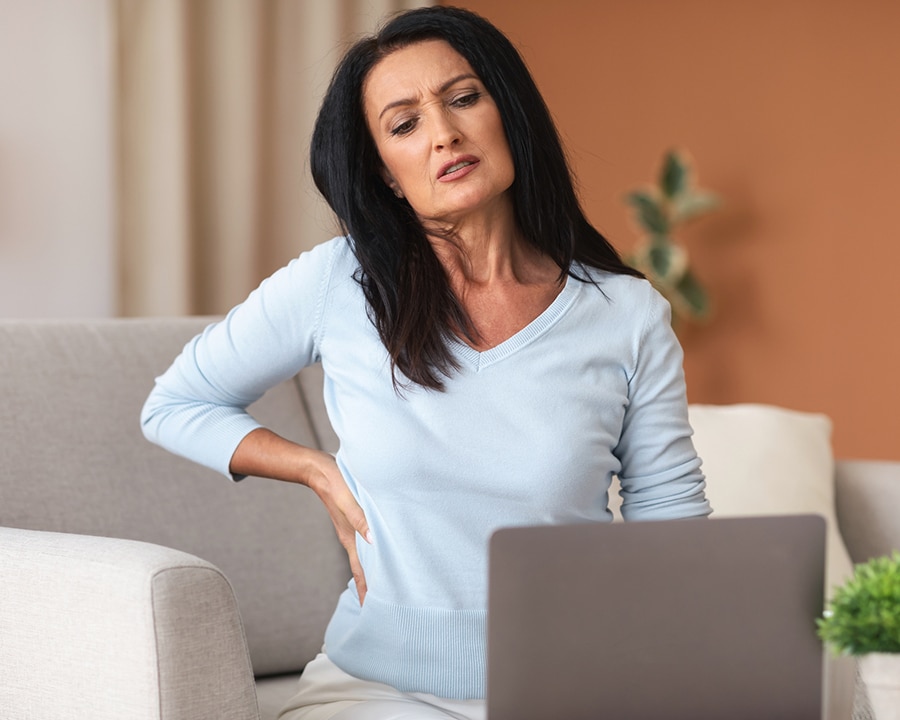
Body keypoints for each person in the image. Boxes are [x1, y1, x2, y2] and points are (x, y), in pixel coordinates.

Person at [141, 6, 711, 720]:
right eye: (405, 124)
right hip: (376, 692)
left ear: (510, 112)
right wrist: (317, 469)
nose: (444, 134)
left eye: (464, 98)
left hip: (571, 688)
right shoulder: (337, 284)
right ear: (384, 172)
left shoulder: (626, 313)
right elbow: (173, 404)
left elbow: (673, 524)